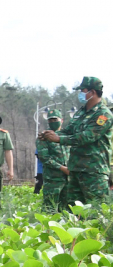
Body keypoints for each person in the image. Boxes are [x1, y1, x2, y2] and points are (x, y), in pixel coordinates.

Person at [41, 77, 113, 207]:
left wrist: (58, 139)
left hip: (94, 171)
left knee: (96, 210)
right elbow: (69, 130)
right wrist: (49, 134)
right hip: (75, 169)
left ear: (93, 92)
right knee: (74, 211)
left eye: (83, 91)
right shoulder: (81, 112)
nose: (80, 94)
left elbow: (87, 137)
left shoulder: (103, 114)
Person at [36, 108, 69, 212]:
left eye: (55, 120)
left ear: (61, 120)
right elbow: (45, 158)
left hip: (69, 179)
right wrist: (62, 168)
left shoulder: (67, 136)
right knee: (49, 209)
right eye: (50, 120)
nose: (52, 122)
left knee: (66, 210)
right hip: (53, 180)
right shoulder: (43, 138)